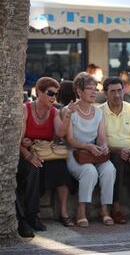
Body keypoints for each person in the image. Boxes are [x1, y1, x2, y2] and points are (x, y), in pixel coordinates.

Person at [17, 77, 75, 237]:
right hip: (25, 153)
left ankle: (63, 213)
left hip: (46, 154)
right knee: (34, 168)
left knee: (61, 168)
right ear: (39, 93)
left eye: (56, 94)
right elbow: (17, 140)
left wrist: (68, 115)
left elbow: (61, 134)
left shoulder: (54, 111)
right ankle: (33, 215)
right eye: (50, 93)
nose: (53, 98)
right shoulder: (26, 109)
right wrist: (28, 155)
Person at [66, 72, 116, 227]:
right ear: (79, 91)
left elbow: (101, 137)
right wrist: (87, 146)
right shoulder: (70, 111)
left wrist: (103, 146)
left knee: (109, 169)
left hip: (93, 153)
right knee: (90, 171)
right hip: (75, 153)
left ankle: (104, 210)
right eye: (89, 88)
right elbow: (70, 140)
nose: (94, 92)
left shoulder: (99, 112)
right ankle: (81, 211)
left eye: (96, 89)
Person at [99, 77, 130, 224]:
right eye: (112, 92)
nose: (117, 95)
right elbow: (101, 142)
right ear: (106, 94)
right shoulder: (99, 112)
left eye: (119, 90)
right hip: (109, 152)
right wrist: (118, 150)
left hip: (129, 150)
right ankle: (116, 207)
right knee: (117, 162)